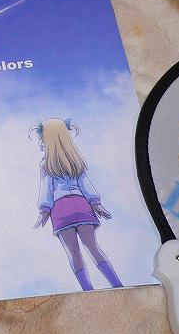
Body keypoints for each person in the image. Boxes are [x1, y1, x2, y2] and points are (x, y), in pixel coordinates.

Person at [32, 118, 123, 291]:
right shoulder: (75, 160)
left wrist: (44, 211)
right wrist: (96, 203)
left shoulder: (46, 164)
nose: (41, 142)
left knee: (73, 253)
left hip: (61, 210)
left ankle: (88, 290)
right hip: (82, 207)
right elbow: (86, 185)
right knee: (94, 248)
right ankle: (117, 285)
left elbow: (46, 190)